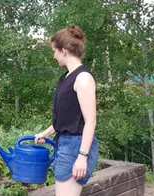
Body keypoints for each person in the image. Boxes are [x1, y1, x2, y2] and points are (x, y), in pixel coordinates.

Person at [34, 25, 99, 195]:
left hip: (76, 144)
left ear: (63, 51)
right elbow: (67, 117)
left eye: (54, 51)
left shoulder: (83, 78)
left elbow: (90, 121)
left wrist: (82, 157)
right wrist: (46, 133)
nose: (54, 56)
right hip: (65, 142)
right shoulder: (66, 77)